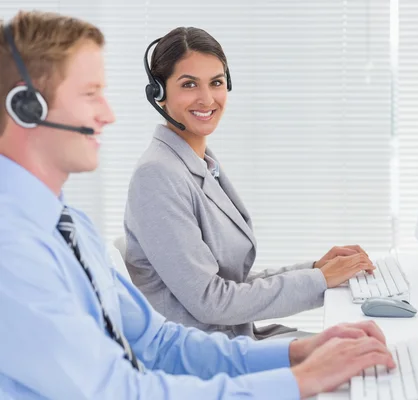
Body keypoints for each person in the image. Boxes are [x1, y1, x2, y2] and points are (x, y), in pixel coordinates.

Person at [0, 11, 395, 399]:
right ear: (26, 108)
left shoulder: (70, 225)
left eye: (216, 82)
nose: (109, 114)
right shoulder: (14, 250)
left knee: (375, 372)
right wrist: (298, 380)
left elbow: (159, 343)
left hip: (202, 359)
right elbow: (118, 390)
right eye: (90, 94)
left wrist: (298, 352)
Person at [124, 26, 376, 340]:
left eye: (216, 82)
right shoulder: (158, 176)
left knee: (363, 342)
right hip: (206, 357)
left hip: (233, 338)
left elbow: (232, 283)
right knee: (361, 353)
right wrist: (320, 280)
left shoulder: (199, 163)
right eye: (189, 84)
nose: (207, 98)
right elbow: (210, 300)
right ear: (158, 94)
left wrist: (316, 269)